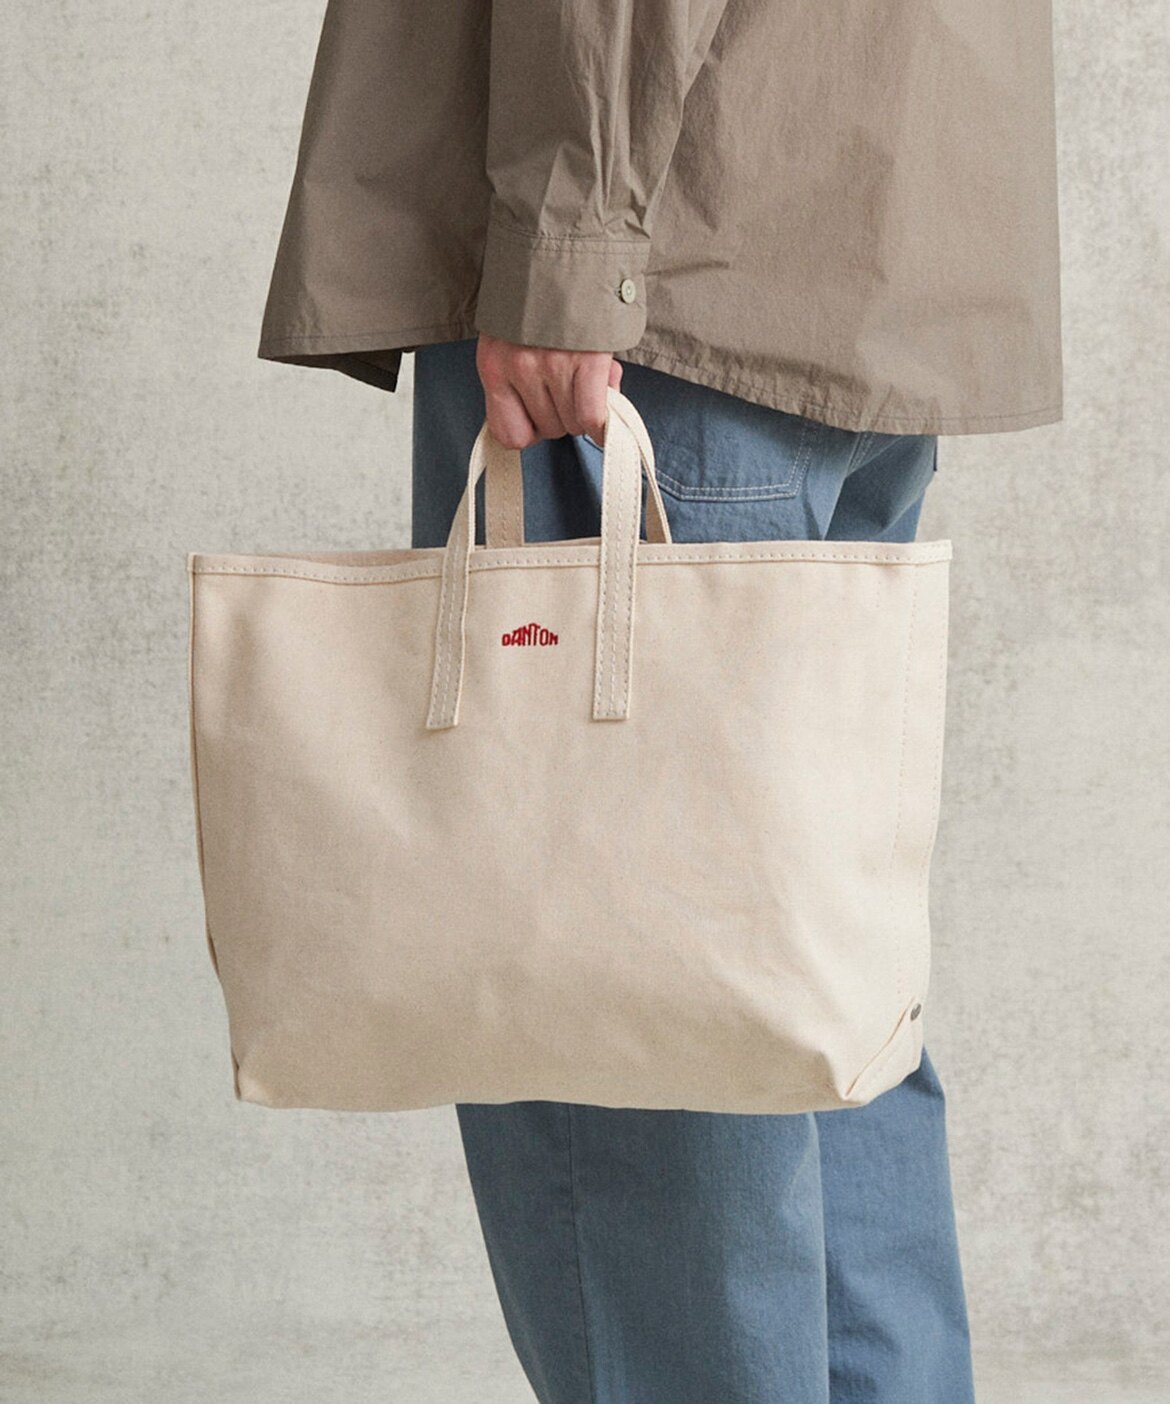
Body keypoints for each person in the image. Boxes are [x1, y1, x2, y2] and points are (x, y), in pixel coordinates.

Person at [255, 4, 1063, 1399]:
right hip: (844, 251)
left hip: (662, 281)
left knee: (629, 1042)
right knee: (805, 1010)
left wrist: (571, 250)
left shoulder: (612, 264)